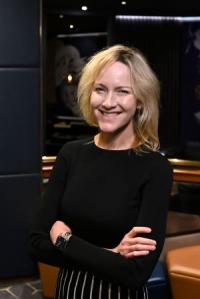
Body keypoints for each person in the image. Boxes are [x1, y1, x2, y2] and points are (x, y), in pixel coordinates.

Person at [30, 44, 173, 299]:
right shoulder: (71, 154)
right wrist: (111, 256)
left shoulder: (155, 168)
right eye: (100, 89)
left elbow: (135, 273)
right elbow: (37, 244)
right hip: (69, 291)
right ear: (89, 93)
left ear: (139, 100)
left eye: (122, 92)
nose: (108, 102)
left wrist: (65, 241)